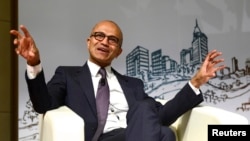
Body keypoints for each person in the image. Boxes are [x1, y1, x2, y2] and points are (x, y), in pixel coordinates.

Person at [10, 20, 225, 141]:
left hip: (137, 134)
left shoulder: (134, 84)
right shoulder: (67, 75)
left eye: (112, 40)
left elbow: (162, 116)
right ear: (88, 42)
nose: (105, 42)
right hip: (102, 139)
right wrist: (34, 63)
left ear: (119, 51)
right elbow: (43, 105)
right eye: (99, 36)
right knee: (165, 135)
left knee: (151, 115)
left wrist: (196, 82)